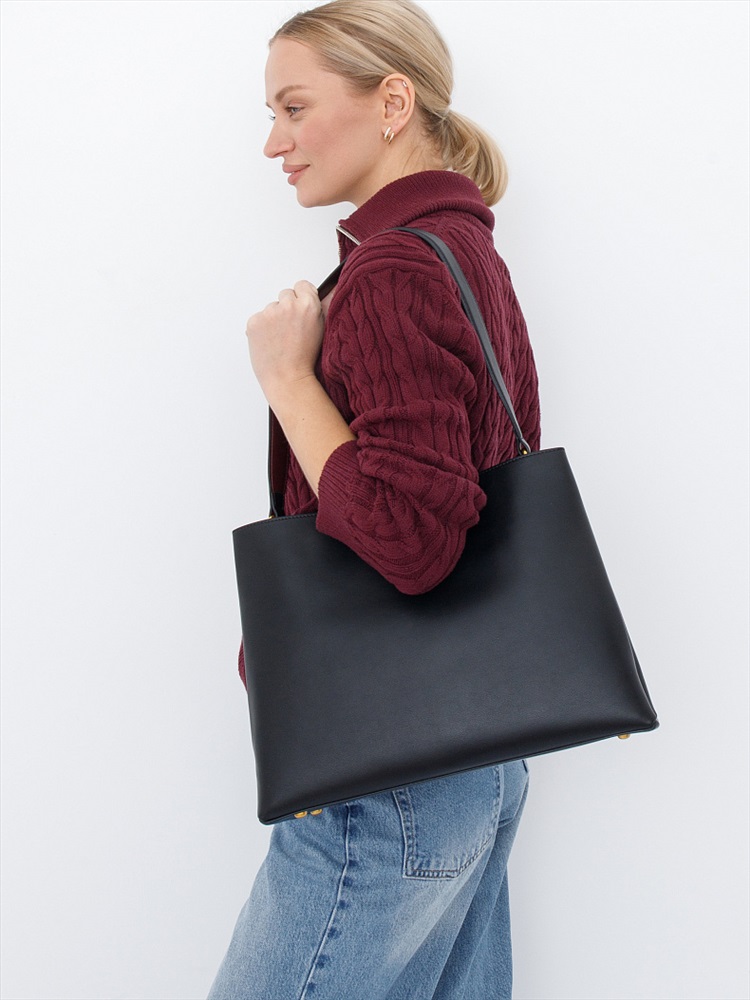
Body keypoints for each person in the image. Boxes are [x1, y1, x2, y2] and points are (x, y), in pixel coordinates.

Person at [208, 1, 541, 997]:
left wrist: (287, 380)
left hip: (387, 766)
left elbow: (412, 539)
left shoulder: (397, 268)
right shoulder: (462, 249)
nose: (274, 143)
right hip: (477, 749)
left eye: (294, 107)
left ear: (392, 102)